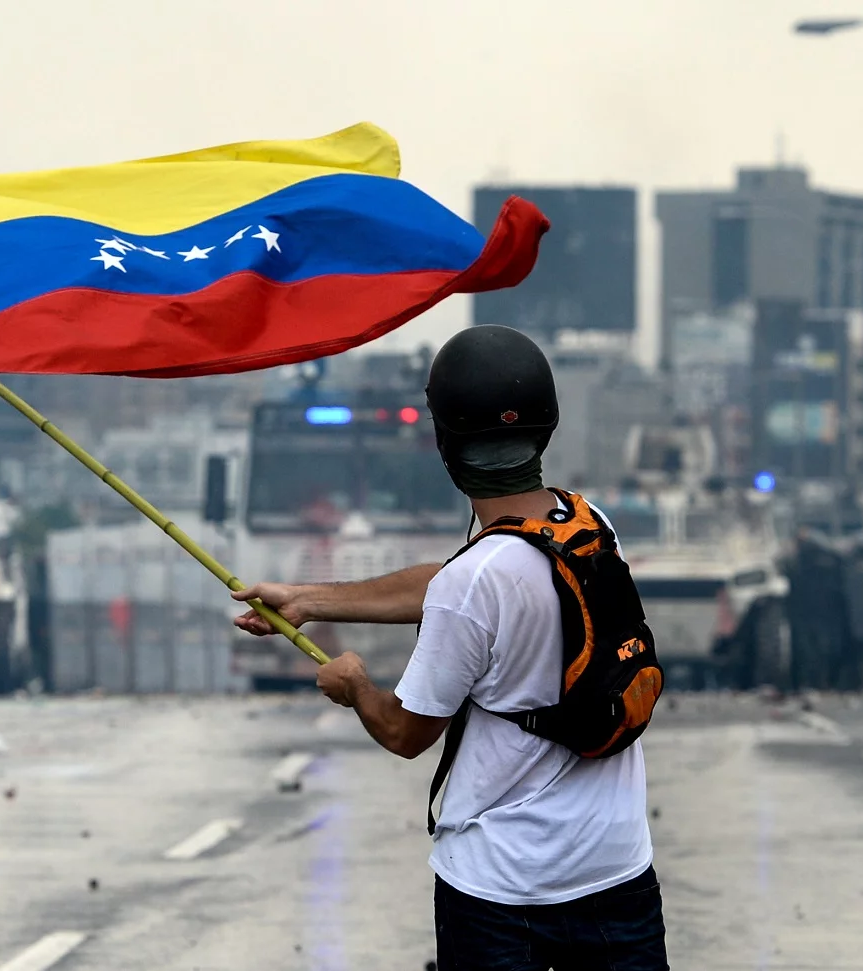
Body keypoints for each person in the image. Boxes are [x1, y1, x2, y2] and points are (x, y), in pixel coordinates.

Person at [233, 325, 669, 970]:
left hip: (502, 895)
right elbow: (455, 584)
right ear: (545, 426)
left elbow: (406, 733)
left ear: (445, 443)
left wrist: (353, 683)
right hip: (617, 873)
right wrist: (307, 600)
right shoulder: (585, 525)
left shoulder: (473, 584)